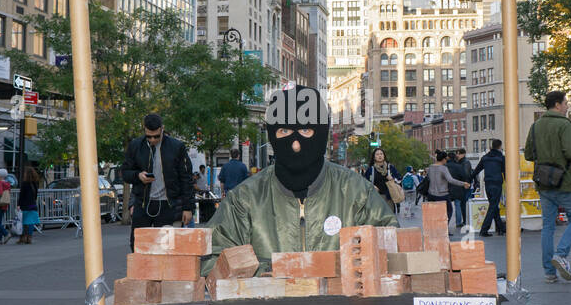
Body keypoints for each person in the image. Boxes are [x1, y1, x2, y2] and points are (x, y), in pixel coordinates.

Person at [200, 85, 395, 276]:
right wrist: (272, 273)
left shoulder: (355, 192)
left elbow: (391, 249)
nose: (294, 144)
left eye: (305, 131)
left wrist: (339, 270)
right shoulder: (245, 200)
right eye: (284, 132)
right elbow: (210, 259)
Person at [525, 90, 571, 283]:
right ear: (557, 105)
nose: (567, 106)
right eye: (566, 103)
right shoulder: (564, 124)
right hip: (565, 181)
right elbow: (570, 153)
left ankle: (549, 273)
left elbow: (528, 154)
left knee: (548, 226)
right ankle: (561, 254)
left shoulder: (536, 126)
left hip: (544, 182)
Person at [121, 113, 195, 250]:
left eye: (156, 136)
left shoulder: (177, 147)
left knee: (166, 248)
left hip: (168, 205)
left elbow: (186, 179)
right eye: (149, 136)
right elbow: (125, 172)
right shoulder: (135, 146)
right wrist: (138, 176)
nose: (153, 140)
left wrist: (187, 208)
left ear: (162, 129)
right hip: (143, 205)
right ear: (144, 130)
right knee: (138, 247)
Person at [474, 139, 507, 237]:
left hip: (488, 184)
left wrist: (468, 179)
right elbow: (505, 171)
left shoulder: (485, 158)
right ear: (500, 147)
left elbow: (476, 170)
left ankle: (501, 228)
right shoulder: (501, 158)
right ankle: (484, 229)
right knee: (493, 206)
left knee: (494, 206)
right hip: (497, 183)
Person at [363, 147, 402, 212]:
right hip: (376, 198)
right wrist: (372, 186)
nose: (380, 156)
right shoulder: (371, 169)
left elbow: (399, 179)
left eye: (381, 154)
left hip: (389, 198)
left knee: (389, 219)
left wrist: (392, 179)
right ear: (374, 157)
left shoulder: (390, 167)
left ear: (384, 156)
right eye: (377, 154)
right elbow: (364, 182)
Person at [16, 164, 41, 244]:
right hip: (32, 204)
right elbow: (36, 194)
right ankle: (29, 237)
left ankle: (23, 237)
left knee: (23, 222)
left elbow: (21, 195)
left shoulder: (24, 184)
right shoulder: (35, 183)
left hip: (25, 205)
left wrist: (19, 204)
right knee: (30, 222)